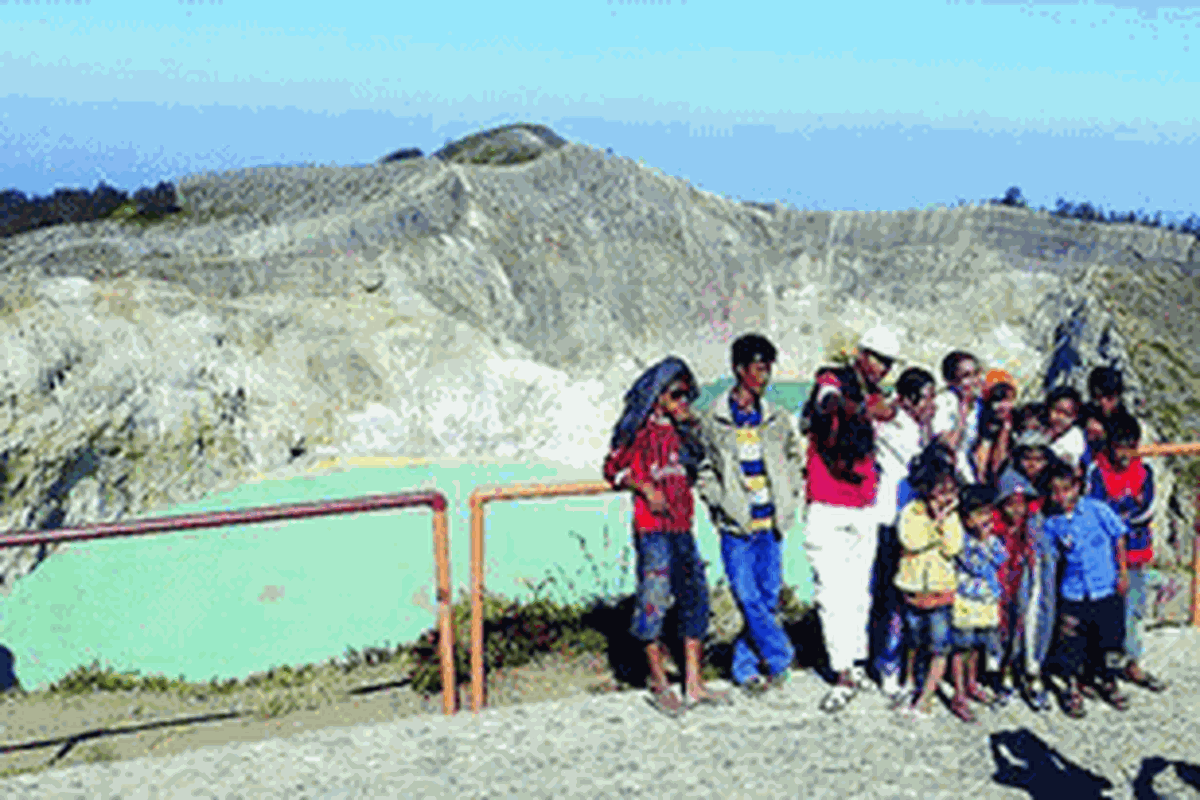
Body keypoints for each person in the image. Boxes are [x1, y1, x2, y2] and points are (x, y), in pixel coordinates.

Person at [603, 356, 729, 716]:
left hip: (682, 525)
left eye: (687, 395)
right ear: (658, 396)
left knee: (695, 597)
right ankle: (658, 681)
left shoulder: (682, 431)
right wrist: (644, 487)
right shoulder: (638, 431)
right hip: (652, 528)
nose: (683, 402)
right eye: (675, 395)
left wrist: (692, 429)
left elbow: (699, 463)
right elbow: (612, 469)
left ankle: (694, 682)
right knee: (654, 599)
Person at [695, 334, 804, 696]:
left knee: (767, 597)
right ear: (739, 370)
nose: (765, 376)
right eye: (759, 368)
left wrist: (790, 491)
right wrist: (719, 500)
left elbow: (793, 456)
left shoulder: (776, 417)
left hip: (770, 522)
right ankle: (780, 656)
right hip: (736, 525)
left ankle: (744, 669)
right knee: (746, 595)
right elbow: (705, 468)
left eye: (768, 368)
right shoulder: (715, 419)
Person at [801, 325, 900, 712]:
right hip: (827, 501)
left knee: (859, 591)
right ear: (861, 354)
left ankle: (855, 662)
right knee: (830, 589)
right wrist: (863, 411)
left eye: (888, 363)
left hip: (864, 503)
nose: (882, 368)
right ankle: (841, 668)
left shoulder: (877, 396)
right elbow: (827, 402)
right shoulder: (833, 380)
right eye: (878, 359)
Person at [1085, 410, 1168, 694]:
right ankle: (1102, 668)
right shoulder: (1097, 472)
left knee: (1134, 609)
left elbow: (1147, 509)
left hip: (1135, 553)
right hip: (1105, 555)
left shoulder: (1144, 472)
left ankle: (1132, 662)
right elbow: (1097, 509)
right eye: (1120, 446)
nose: (1124, 454)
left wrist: (1119, 513)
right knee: (1105, 611)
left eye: (1130, 447)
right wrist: (1124, 510)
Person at [1042, 461, 1131, 719]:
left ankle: (1108, 681)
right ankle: (1072, 687)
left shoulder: (1097, 509)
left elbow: (1118, 537)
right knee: (1072, 641)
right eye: (1055, 492)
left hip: (1105, 586)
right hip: (1073, 591)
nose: (1061, 496)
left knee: (1109, 639)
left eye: (1066, 489)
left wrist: (1122, 572)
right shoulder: (1052, 523)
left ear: (1077, 487)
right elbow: (1052, 555)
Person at [871, 367, 937, 702]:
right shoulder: (891, 425)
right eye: (926, 397)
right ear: (908, 400)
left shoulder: (922, 428)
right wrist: (892, 406)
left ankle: (911, 664)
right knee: (890, 596)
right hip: (890, 517)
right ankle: (887, 664)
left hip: (918, 517)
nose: (932, 404)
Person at [893, 445, 964, 720]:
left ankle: (926, 698)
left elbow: (952, 547)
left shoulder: (953, 518)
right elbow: (911, 540)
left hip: (940, 593)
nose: (945, 497)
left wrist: (942, 522)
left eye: (950, 491)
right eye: (940, 490)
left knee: (939, 646)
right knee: (913, 641)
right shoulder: (911, 512)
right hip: (913, 592)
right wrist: (934, 526)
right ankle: (910, 682)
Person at [993, 471, 1056, 712]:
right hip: (1004, 588)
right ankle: (1006, 674)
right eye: (1009, 504)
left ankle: (1033, 674)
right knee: (1004, 629)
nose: (1016, 510)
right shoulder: (995, 528)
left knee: (1033, 627)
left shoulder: (1036, 525)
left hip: (1032, 587)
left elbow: (1046, 557)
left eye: (1021, 504)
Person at [947, 484, 1007, 723]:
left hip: (986, 599)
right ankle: (959, 693)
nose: (985, 519)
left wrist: (988, 540)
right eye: (978, 514)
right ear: (966, 518)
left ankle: (971, 683)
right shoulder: (962, 540)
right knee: (961, 647)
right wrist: (983, 541)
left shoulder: (992, 539)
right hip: (966, 599)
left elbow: (1001, 558)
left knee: (975, 646)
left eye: (987, 512)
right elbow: (974, 565)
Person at [933, 351, 985, 484]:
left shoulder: (978, 404)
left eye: (976, 374)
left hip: (966, 471)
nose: (974, 381)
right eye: (966, 376)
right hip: (945, 472)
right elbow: (948, 445)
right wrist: (963, 412)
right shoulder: (943, 402)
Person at [973, 377, 1018, 487]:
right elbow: (993, 464)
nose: (1003, 405)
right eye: (999, 400)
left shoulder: (1018, 421)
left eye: (1009, 400)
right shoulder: (987, 424)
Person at [1082, 366, 1131, 464]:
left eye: (1108, 397)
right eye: (1097, 396)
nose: (1102, 401)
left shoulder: (1126, 425)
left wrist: (1104, 436)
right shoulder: (1087, 410)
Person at [1045, 386, 1087, 475]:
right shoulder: (1041, 432)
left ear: (1075, 417)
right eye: (1057, 411)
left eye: (1067, 414)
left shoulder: (1075, 439)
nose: (1060, 418)